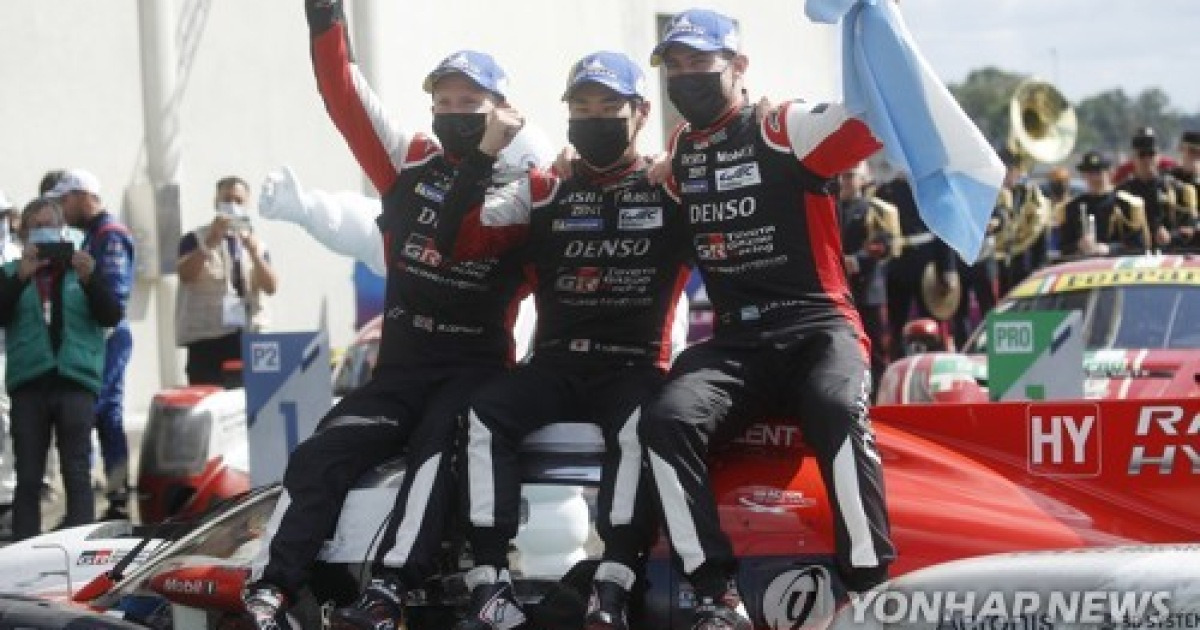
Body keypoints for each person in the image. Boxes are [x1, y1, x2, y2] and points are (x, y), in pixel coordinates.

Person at [242, 2, 530, 628]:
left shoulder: (525, 187)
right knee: (322, 451)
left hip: (472, 371)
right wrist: (326, 19)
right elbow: (343, 93)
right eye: (444, 101)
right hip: (400, 371)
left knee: (436, 454)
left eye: (470, 102)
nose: (455, 112)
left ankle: (390, 590)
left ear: (501, 110)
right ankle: (271, 590)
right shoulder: (409, 161)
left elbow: (485, 245)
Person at [640, 9, 904, 628]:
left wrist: (876, 37)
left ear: (738, 67)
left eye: (699, 62)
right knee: (666, 419)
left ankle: (871, 585)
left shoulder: (785, 127)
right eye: (674, 65)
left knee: (836, 407)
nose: (685, 76)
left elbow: (870, 125)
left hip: (819, 327)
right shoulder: (681, 150)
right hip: (738, 340)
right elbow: (651, 180)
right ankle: (714, 593)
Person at [423, 51, 689, 630]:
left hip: (634, 365)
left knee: (642, 424)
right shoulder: (544, 187)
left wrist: (687, 158)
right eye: (582, 108)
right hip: (555, 364)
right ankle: (489, 581)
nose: (594, 119)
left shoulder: (670, 186)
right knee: (484, 413)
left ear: (641, 113)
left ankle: (614, 581)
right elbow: (455, 242)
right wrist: (484, 154)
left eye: (608, 108)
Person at [0, 197, 123, 540]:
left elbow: (111, 315)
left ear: (63, 230)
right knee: (28, 475)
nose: (44, 232)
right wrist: (20, 277)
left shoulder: (83, 268)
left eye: (50, 224)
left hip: (75, 380)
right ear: (24, 233)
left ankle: (80, 546)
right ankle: (24, 547)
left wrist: (90, 279)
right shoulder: (10, 272)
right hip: (29, 382)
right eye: (36, 226)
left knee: (77, 469)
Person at [45, 169, 137, 521]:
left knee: (101, 410)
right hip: (91, 338)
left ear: (85, 196)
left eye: (65, 200)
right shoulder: (88, 235)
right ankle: (103, 497)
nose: (62, 208)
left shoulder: (110, 235)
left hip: (107, 337)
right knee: (97, 412)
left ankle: (114, 497)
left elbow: (113, 297)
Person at [176, 176, 278, 386]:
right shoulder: (195, 238)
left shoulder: (256, 244)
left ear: (247, 205)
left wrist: (255, 253)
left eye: (238, 201)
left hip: (248, 335)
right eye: (227, 199)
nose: (232, 205)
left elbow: (271, 287)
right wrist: (210, 243)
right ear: (216, 202)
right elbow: (186, 275)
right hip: (208, 339)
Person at [877, 173, 956, 359]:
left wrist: (948, 268)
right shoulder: (885, 191)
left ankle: (937, 361)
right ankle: (898, 362)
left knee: (933, 321)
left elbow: (943, 229)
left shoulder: (930, 188)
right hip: (897, 265)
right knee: (897, 324)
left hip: (927, 265)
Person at [837, 162, 894, 392]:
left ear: (861, 180)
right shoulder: (831, 208)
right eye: (842, 176)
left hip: (869, 290)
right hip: (841, 292)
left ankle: (880, 395)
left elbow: (884, 244)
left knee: (877, 348)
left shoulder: (874, 209)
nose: (845, 182)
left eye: (850, 176)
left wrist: (857, 260)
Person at [1117, 127, 1197, 251]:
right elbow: (1112, 235)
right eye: (1142, 155)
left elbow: (1190, 229)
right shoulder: (1121, 193)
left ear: (1159, 156)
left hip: (1171, 255)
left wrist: (1171, 236)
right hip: (1133, 256)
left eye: (1151, 154)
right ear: (1133, 158)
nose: (1147, 160)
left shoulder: (1178, 190)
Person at [1059, 150, 1149, 257]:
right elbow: (1064, 248)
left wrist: (1110, 248)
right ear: (1083, 175)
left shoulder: (1126, 204)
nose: (1094, 178)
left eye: (1098, 172)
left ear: (1110, 173)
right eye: (1089, 173)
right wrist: (1079, 245)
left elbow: (1138, 245)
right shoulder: (1072, 207)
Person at [994, 148, 1050, 294]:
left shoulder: (1030, 195)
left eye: (1008, 170)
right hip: (999, 265)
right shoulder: (995, 196)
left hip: (1026, 263)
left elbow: (1040, 228)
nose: (1004, 175)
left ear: (1017, 170)